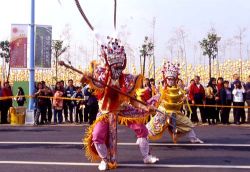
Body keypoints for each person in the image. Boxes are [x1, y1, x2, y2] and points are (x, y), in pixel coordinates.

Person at [81, 37, 158, 170]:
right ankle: (105, 159)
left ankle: (146, 156)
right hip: (105, 111)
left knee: (142, 128)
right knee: (97, 135)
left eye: (119, 67)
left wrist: (145, 106)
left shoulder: (127, 79)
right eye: (114, 67)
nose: (117, 70)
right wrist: (86, 78)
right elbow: (88, 83)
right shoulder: (101, 76)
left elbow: (133, 100)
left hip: (123, 109)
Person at [145, 62, 203, 144]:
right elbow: (156, 98)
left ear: (175, 79)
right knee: (153, 126)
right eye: (169, 79)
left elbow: (183, 96)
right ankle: (143, 137)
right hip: (163, 112)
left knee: (186, 123)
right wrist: (149, 103)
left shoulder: (178, 89)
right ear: (166, 79)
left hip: (175, 112)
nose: (170, 81)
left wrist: (184, 97)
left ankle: (193, 138)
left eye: (172, 79)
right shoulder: (163, 89)